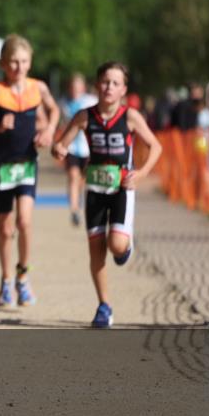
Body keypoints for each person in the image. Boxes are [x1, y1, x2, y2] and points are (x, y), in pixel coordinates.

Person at [53, 61, 162, 328]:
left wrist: (142, 173)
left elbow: (155, 146)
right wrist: (58, 150)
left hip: (122, 187)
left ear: (123, 89)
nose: (109, 87)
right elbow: (61, 144)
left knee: (116, 246)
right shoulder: (84, 116)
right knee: (96, 251)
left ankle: (125, 245)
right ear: (96, 85)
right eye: (104, 82)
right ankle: (104, 306)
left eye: (115, 83)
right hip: (95, 189)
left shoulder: (130, 117)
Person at [0, 34, 59, 307]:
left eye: (24, 61)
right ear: (3, 64)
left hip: (27, 164)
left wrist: (49, 130)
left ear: (30, 62)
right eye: (14, 62)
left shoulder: (38, 88)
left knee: (24, 222)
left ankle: (23, 276)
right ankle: (6, 280)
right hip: (2, 166)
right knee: (6, 229)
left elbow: (54, 111)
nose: (19, 67)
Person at [60, 74, 97, 227]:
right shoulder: (64, 103)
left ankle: (79, 202)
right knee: (73, 176)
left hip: (88, 148)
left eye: (77, 87)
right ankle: (74, 210)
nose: (75, 90)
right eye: (72, 87)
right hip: (71, 148)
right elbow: (62, 124)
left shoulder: (91, 101)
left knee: (82, 180)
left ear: (83, 87)